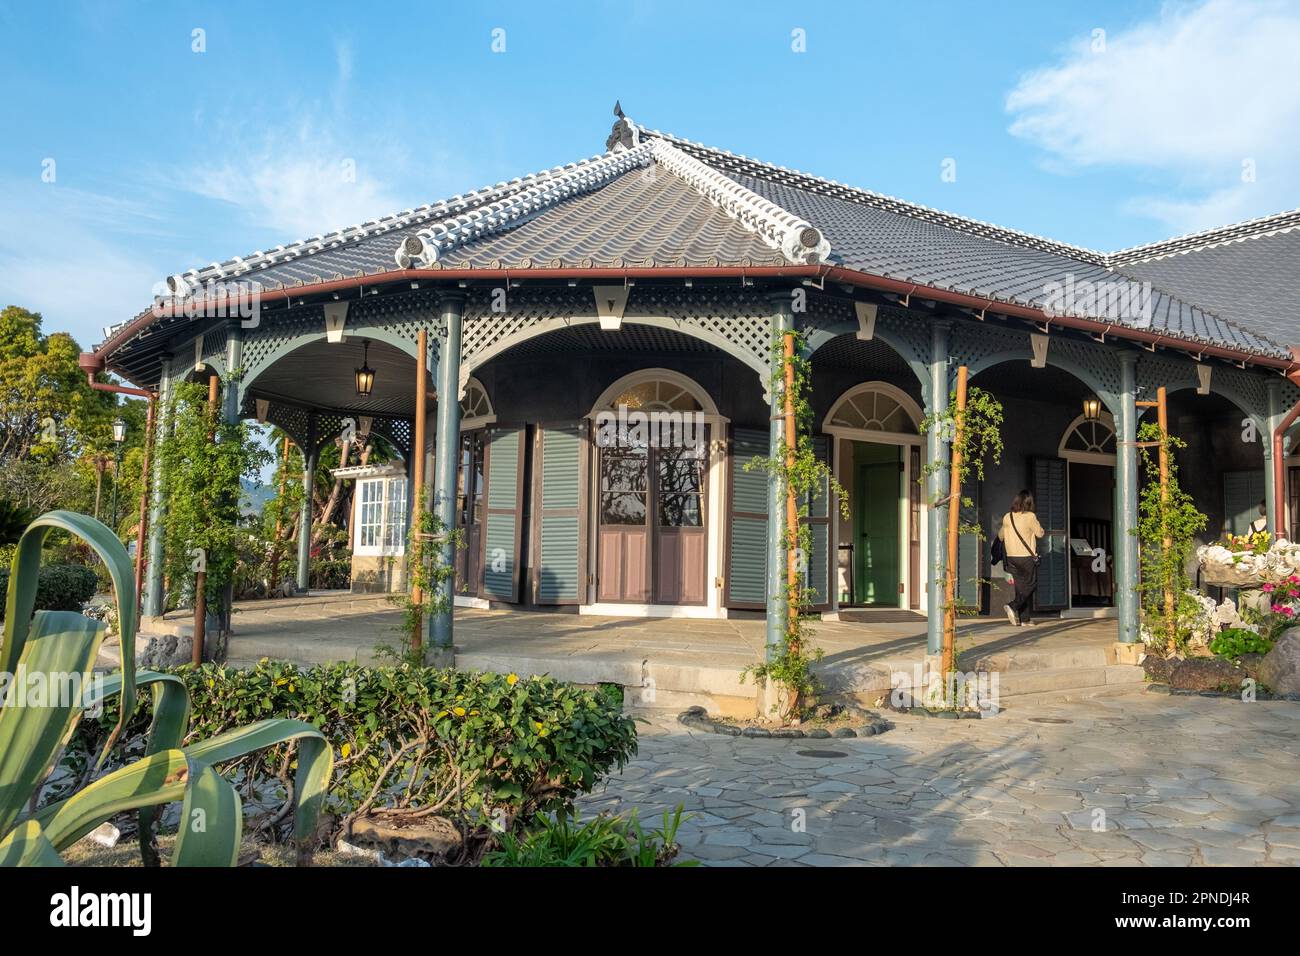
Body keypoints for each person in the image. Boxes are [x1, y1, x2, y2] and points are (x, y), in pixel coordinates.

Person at [998, 490, 1044, 626]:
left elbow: (1001, 535)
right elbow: (1040, 533)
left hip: (1011, 557)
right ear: (1029, 502)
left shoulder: (1008, 516)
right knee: (1031, 584)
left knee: (1020, 587)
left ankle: (1025, 619)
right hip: (1026, 556)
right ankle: (1013, 606)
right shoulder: (1030, 516)